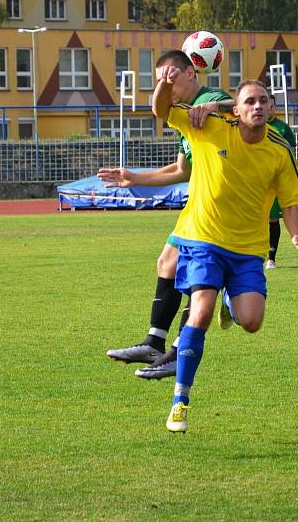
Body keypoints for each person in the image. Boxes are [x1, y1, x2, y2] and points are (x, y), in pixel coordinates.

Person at [152, 70, 298, 432]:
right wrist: (164, 83)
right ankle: (180, 401)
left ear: (272, 109)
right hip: (204, 240)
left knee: (251, 322)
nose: (258, 106)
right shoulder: (208, 126)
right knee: (201, 311)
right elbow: (161, 110)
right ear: (236, 110)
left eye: (263, 101)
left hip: (247, 251)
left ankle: (230, 303)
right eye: (249, 101)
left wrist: (297, 235)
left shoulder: (278, 150)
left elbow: (289, 203)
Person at [100, 50, 234, 381]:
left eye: (172, 76)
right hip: (199, 202)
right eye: (161, 79)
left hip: (225, 203)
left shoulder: (212, 97)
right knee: (167, 263)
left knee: (201, 278)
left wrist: (215, 107)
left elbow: (244, 106)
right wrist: (135, 177)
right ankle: (155, 341)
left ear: (192, 72)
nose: (167, 84)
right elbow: (181, 169)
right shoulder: (182, 119)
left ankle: (177, 350)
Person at [265, 96, 296, 269]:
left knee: (272, 219)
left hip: (275, 182)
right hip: (257, 180)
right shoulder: (255, 127)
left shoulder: (283, 128)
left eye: (271, 106)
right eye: (266, 105)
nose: (268, 109)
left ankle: (271, 258)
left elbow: (290, 152)